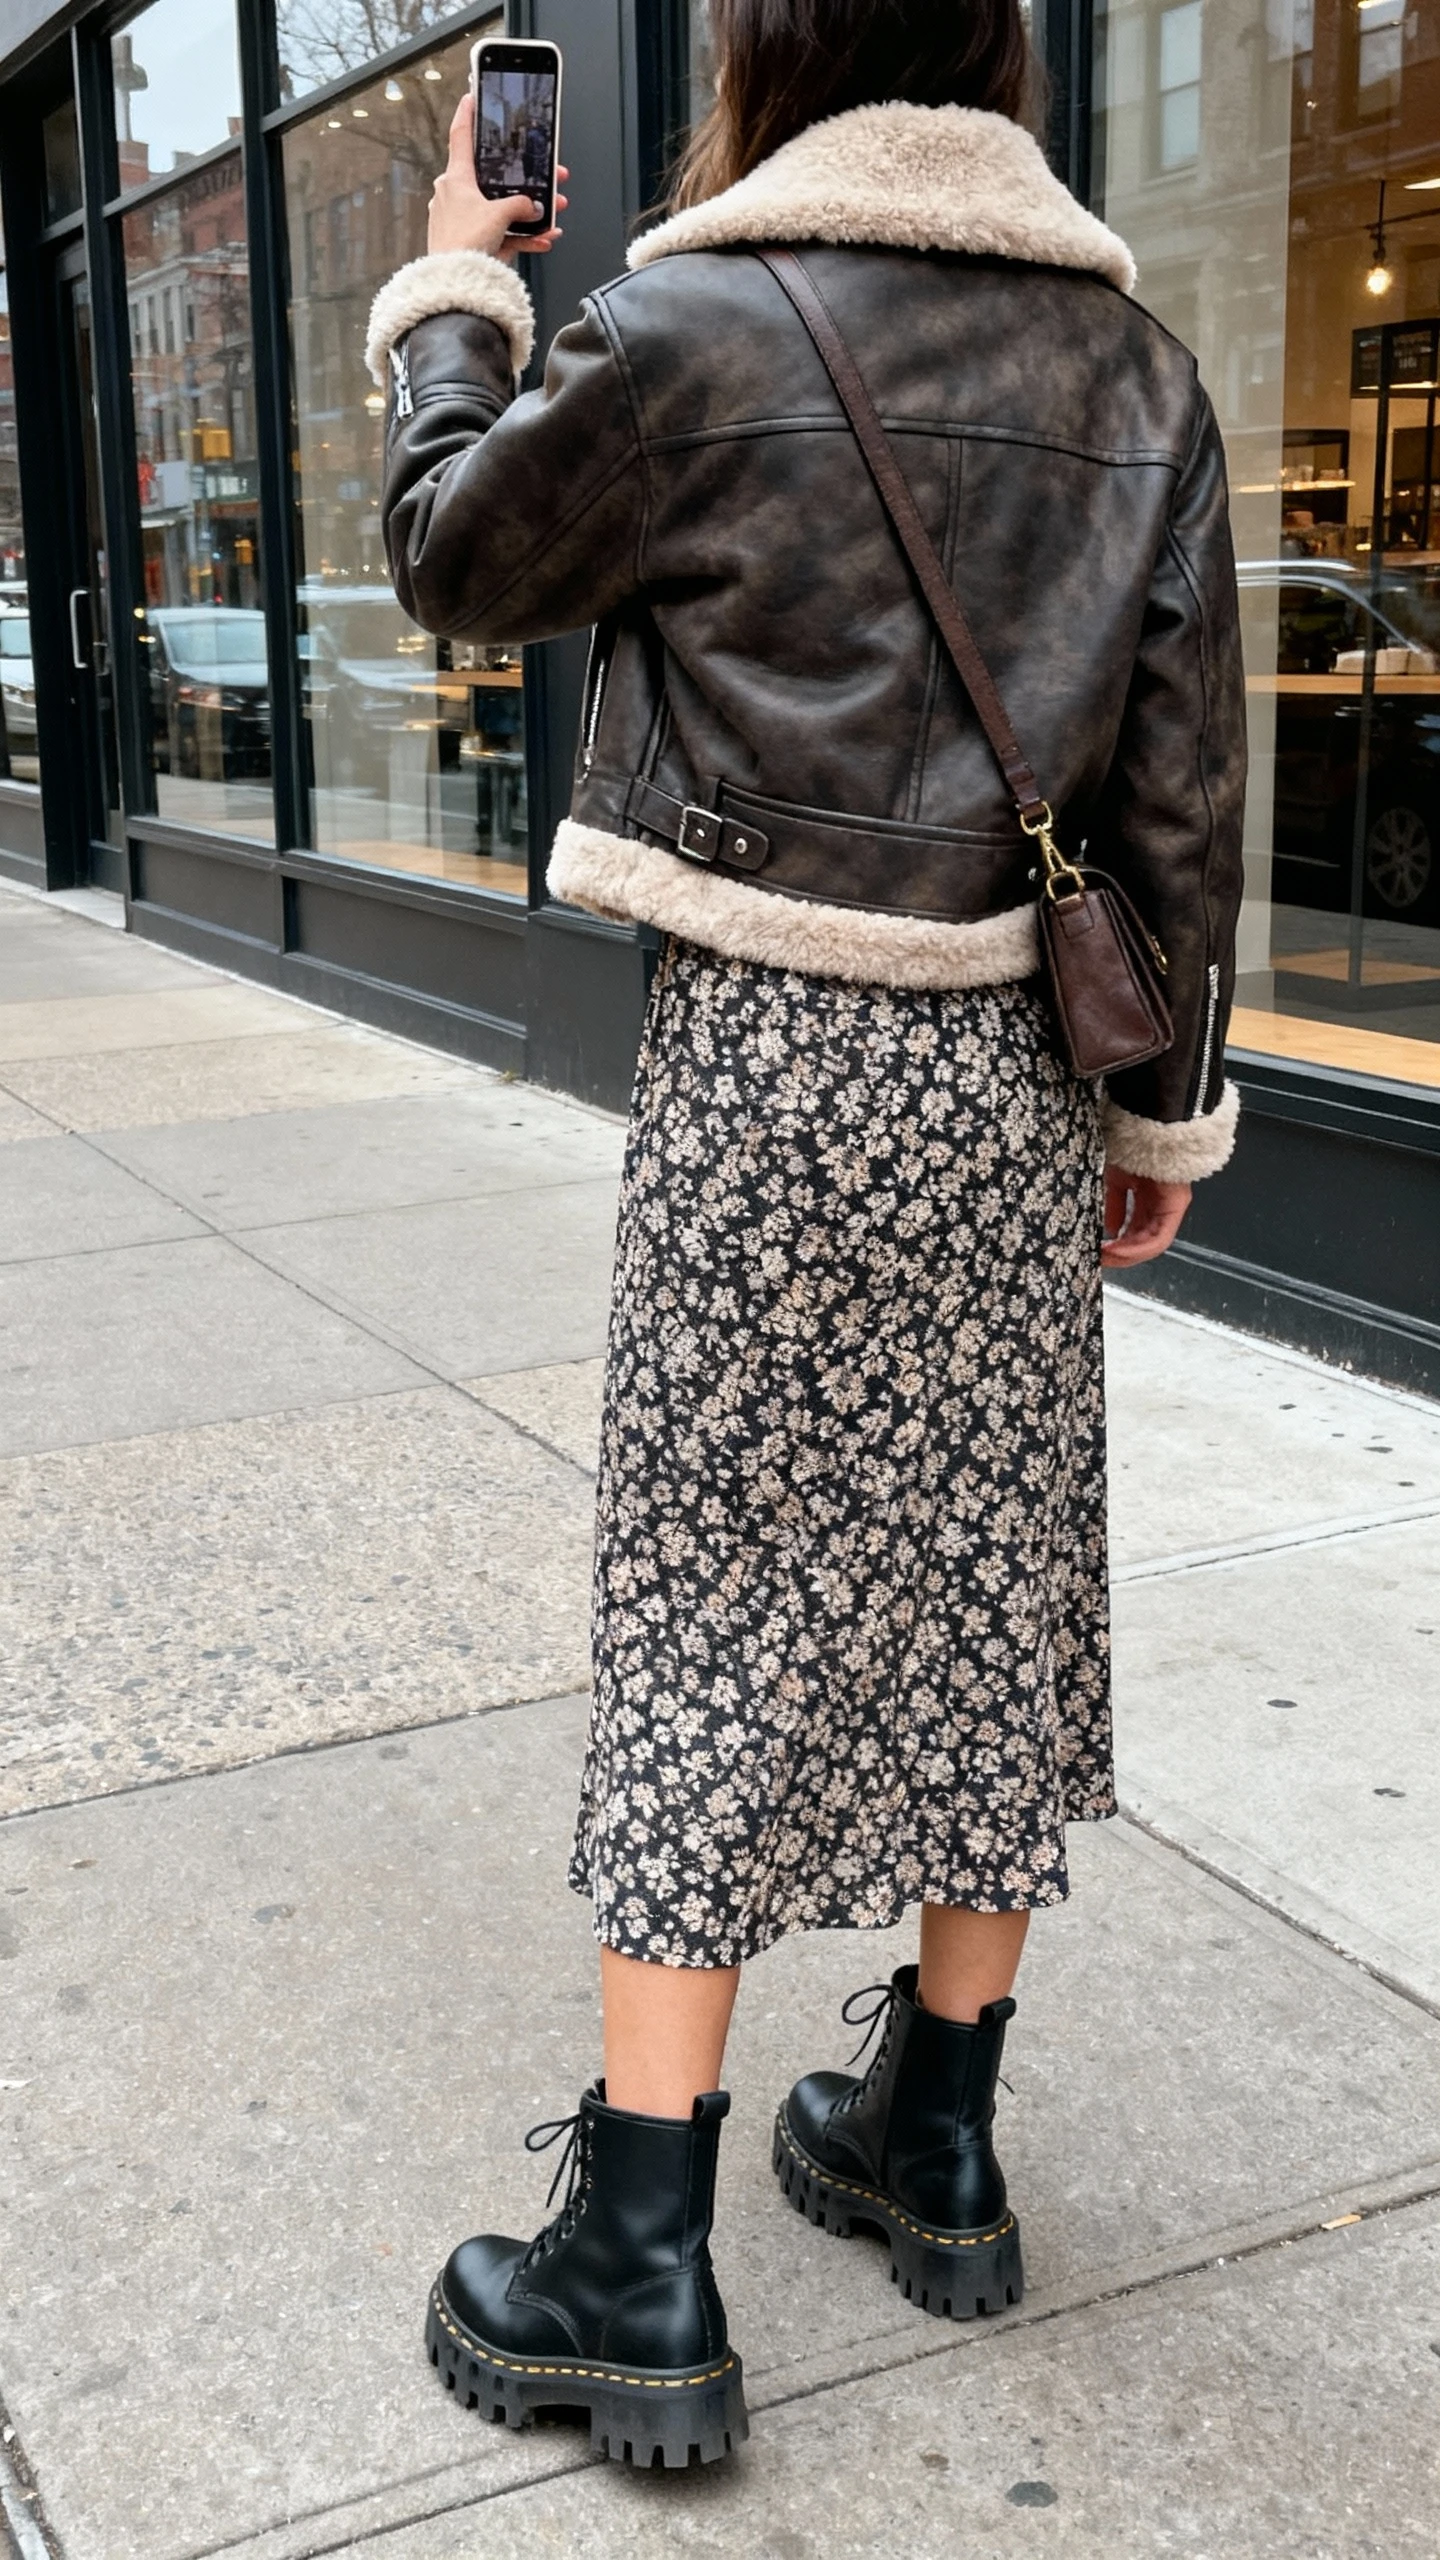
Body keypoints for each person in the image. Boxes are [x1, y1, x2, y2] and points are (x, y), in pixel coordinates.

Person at [368, 0, 1244, 2473]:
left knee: (712, 1602)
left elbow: (455, 559)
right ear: (998, 66)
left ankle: (637, 2256)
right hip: (1000, 1073)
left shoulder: (687, 326)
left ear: (771, 58)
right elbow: (1179, 784)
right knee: (986, 1578)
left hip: (763, 1069)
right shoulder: (1139, 370)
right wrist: (1160, 1105)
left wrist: (458, 294)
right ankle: (936, 2130)